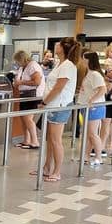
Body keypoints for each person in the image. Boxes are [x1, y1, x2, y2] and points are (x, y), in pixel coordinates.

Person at [34, 37, 79, 182]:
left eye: (58, 44)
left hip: (59, 106)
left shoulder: (68, 65)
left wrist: (44, 102)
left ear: (64, 48)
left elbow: (59, 87)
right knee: (49, 139)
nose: (56, 46)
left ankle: (57, 171)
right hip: (52, 105)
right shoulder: (60, 63)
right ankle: (47, 167)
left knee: (55, 140)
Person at [79, 51, 108, 166]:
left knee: (92, 133)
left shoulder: (95, 74)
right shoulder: (89, 73)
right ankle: (85, 156)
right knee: (88, 133)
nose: (82, 61)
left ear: (88, 60)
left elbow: (103, 89)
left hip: (94, 107)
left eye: (83, 59)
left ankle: (99, 157)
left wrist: (91, 100)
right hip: (86, 106)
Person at [13, 50, 44, 149]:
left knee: (28, 119)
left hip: (33, 96)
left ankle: (35, 141)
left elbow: (37, 82)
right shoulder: (22, 67)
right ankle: (26, 140)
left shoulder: (33, 66)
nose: (17, 63)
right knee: (23, 119)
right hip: (24, 95)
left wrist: (21, 82)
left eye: (17, 61)